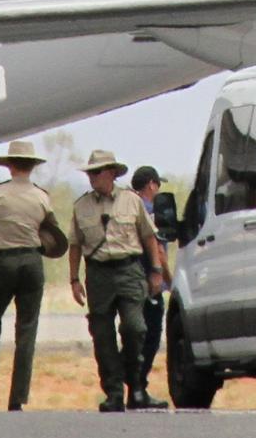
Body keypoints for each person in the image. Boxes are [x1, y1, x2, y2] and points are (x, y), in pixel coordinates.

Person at [69, 150, 169, 412]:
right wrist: (74, 279)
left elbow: (149, 237)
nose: (92, 178)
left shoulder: (131, 201)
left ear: (112, 173)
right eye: (89, 173)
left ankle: (136, 387)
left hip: (129, 271)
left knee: (136, 328)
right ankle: (114, 393)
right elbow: (75, 245)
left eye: (97, 172)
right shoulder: (81, 206)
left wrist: (156, 271)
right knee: (102, 335)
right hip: (98, 274)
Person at [0, 141, 52, 412]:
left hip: (3, 262)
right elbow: (51, 232)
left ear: (10, 165)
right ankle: (17, 399)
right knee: (26, 331)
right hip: (32, 261)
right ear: (31, 166)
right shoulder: (42, 196)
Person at [131, 165, 172, 388]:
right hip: (151, 282)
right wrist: (170, 280)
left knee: (134, 334)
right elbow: (160, 251)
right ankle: (138, 384)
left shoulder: (129, 208)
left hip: (131, 280)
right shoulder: (152, 212)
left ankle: (130, 383)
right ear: (151, 184)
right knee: (152, 336)